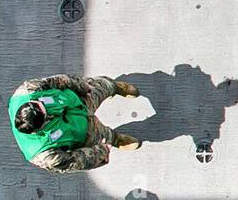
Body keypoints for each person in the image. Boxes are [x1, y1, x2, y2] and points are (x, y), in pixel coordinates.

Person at [9, 74, 142, 173]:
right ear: (40, 126)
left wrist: (82, 86)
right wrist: (101, 152)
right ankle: (116, 140)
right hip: (85, 132)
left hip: (81, 98)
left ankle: (115, 87)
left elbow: (57, 81)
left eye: (40, 103)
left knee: (103, 85)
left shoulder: (26, 92)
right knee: (105, 137)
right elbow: (74, 161)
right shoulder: (42, 154)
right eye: (46, 114)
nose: (44, 104)